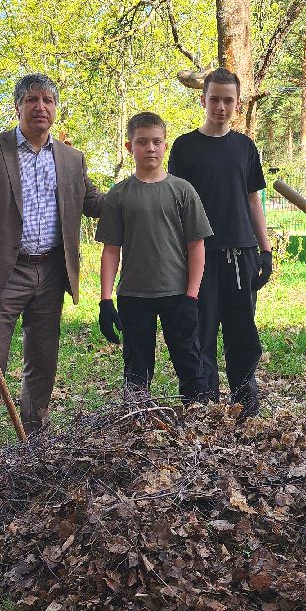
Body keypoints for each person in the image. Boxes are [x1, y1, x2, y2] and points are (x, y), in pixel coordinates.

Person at [0, 73, 104, 449]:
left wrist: (147, 194)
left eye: (48, 101)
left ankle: (36, 445)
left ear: (55, 108)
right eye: (32, 100)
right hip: (3, 272)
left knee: (42, 364)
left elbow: (96, 204)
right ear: (18, 106)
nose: (40, 107)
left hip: (50, 273)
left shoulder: (71, 159)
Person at [166, 68, 273, 417]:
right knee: (201, 332)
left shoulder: (245, 147)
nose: (221, 107)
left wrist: (265, 250)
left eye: (228, 100)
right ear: (203, 100)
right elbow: (176, 205)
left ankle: (245, 402)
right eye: (215, 99)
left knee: (242, 332)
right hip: (200, 256)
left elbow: (253, 199)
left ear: (237, 103)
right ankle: (204, 405)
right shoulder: (184, 147)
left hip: (241, 253)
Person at [94, 112, 211, 402]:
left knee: (189, 362)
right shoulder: (119, 195)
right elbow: (111, 250)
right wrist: (105, 299)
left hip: (177, 294)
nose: (150, 148)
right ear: (129, 147)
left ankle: (197, 421)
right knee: (136, 367)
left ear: (165, 145)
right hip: (134, 296)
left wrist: (192, 297)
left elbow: (197, 246)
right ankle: (138, 424)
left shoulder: (182, 191)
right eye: (142, 142)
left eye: (157, 142)